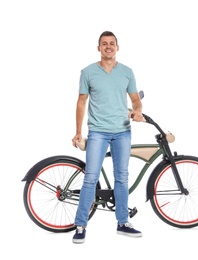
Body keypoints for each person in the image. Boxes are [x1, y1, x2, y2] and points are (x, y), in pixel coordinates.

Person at [71, 31, 143, 244]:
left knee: (122, 177)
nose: (108, 47)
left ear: (117, 47)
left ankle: (123, 222)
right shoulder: (88, 72)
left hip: (122, 131)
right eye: (104, 44)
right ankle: (81, 225)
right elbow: (81, 102)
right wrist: (77, 132)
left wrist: (137, 111)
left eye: (112, 44)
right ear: (99, 48)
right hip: (98, 132)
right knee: (90, 177)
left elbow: (136, 99)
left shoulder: (127, 72)